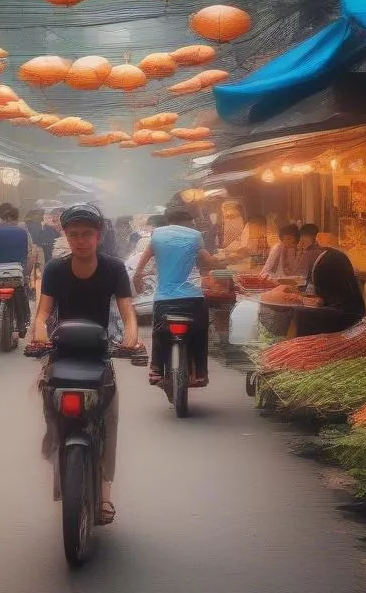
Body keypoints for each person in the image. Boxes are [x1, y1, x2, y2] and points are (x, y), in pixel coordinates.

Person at [30, 203, 138, 527]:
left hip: (100, 352)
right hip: (61, 349)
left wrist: (132, 337)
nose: (80, 240)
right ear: (66, 235)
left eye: (87, 234)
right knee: (50, 405)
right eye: (74, 234)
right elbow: (43, 314)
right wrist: (37, 337)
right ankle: (58, 447)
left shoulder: (115, 268)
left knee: (110, 416)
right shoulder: (54, 269)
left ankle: (105, 493)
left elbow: (128, 312)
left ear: (98, 235)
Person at [132, 203, 243, 387]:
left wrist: (138, 278)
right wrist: (223, 264)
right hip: (193, 298)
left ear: (169, 222)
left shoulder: (157, 235)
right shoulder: (195, 236)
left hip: (164, 299)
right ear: (188, 222)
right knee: (200, 332)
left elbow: (142, 263)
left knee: (159, 332)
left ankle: (156, 370)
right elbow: (208, 261)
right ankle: (199, 373)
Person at [300, 225, 366, 333]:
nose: (302, 248)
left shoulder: (329, 261)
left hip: (340, 318)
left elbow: (320, 294)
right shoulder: (334, 256)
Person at [0, 203, 31, 335]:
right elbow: (25, 254)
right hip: (17, 271)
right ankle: (23, 323)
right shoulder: (22, 232)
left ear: (2, 217)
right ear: (15, 218)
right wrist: (26, 273)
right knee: (22, 293)